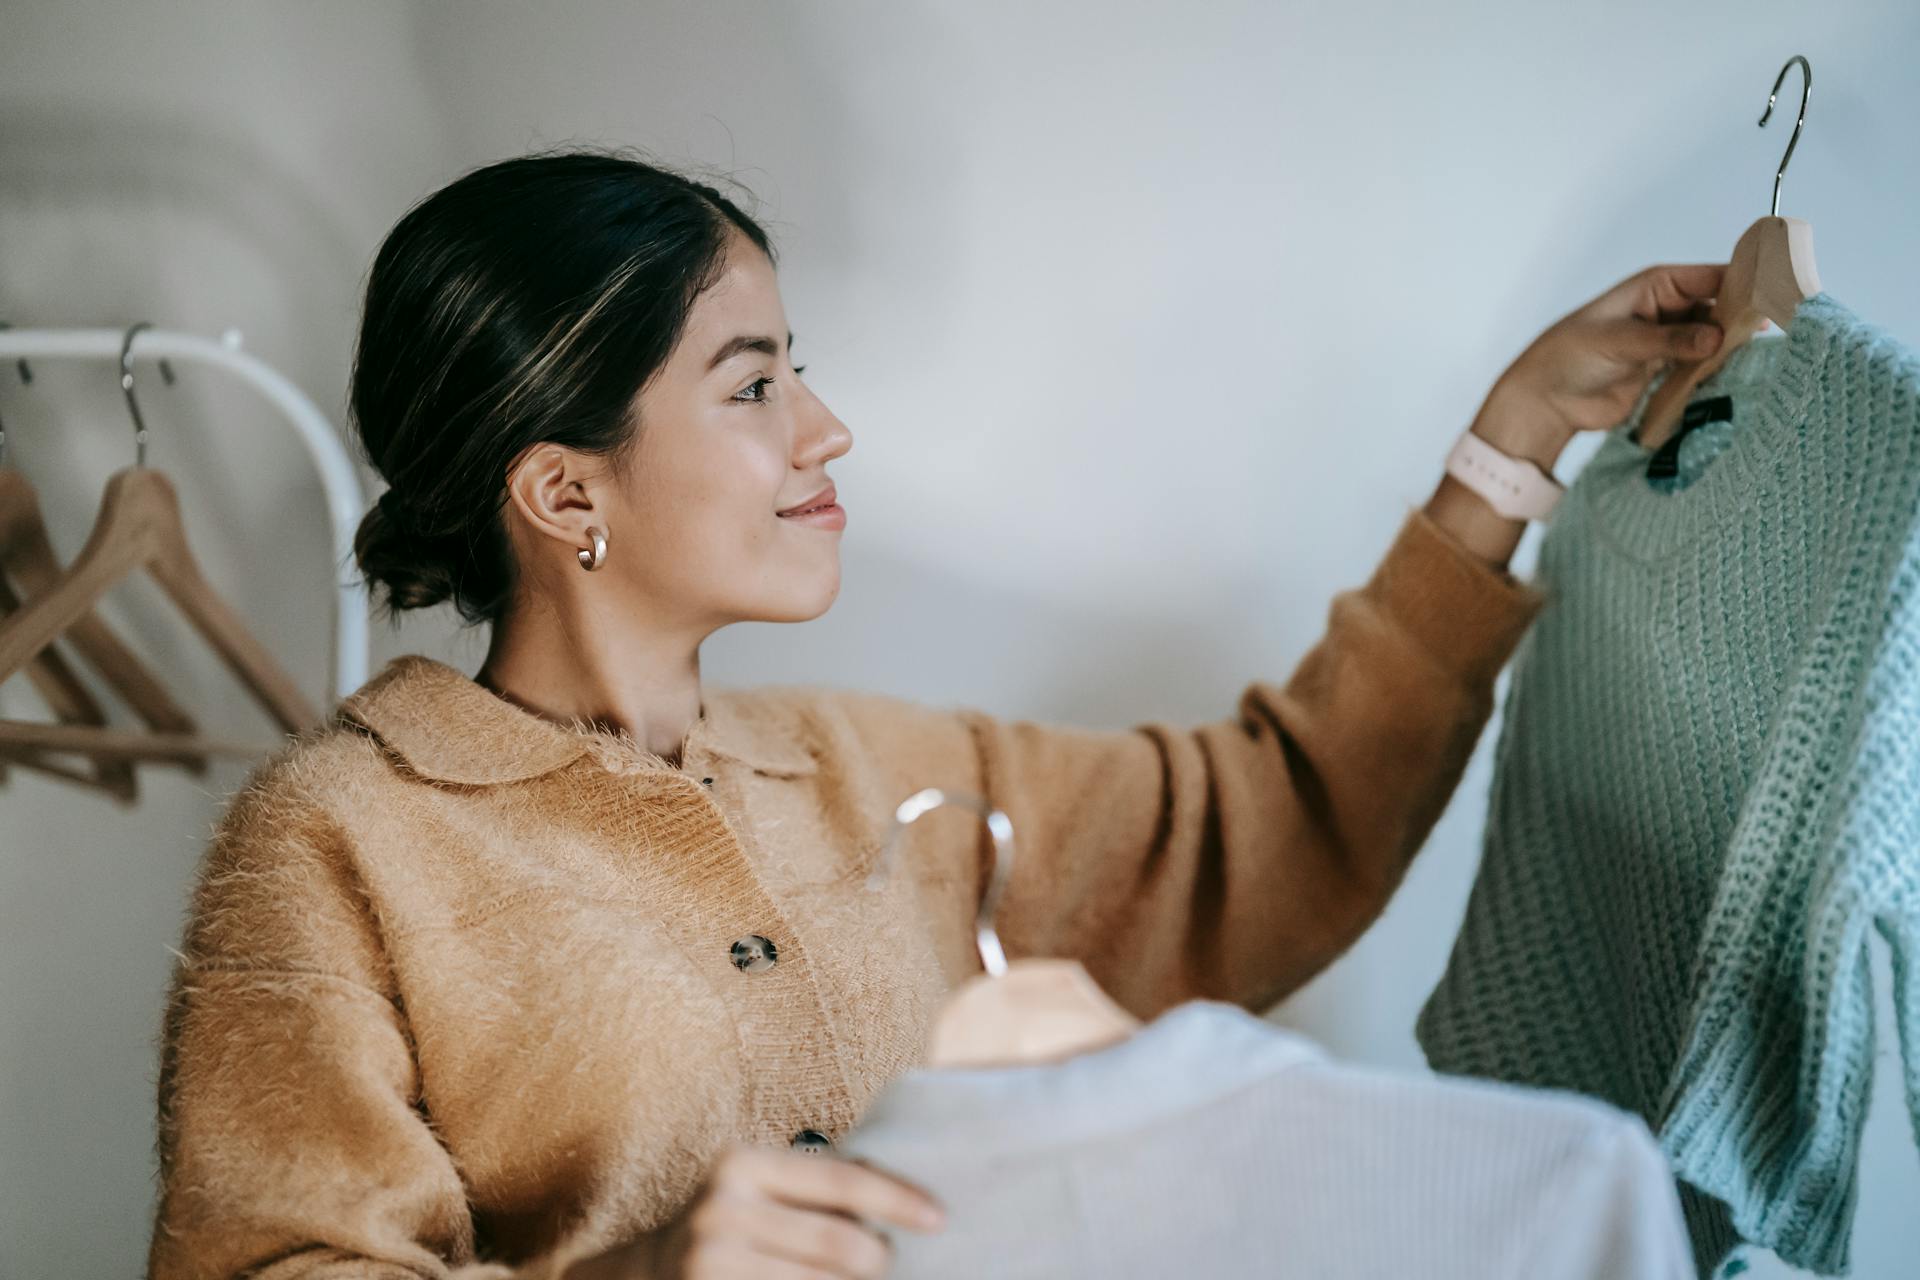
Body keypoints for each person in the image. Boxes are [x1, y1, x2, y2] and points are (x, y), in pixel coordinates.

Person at [146, 147, 1726, 1280]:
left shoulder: (871, 769)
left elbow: (1273, 817)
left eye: (799, 373)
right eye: (755, 384)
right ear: (567, 489)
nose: (827, 430)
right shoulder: (338, 844)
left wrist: (1508, 447)